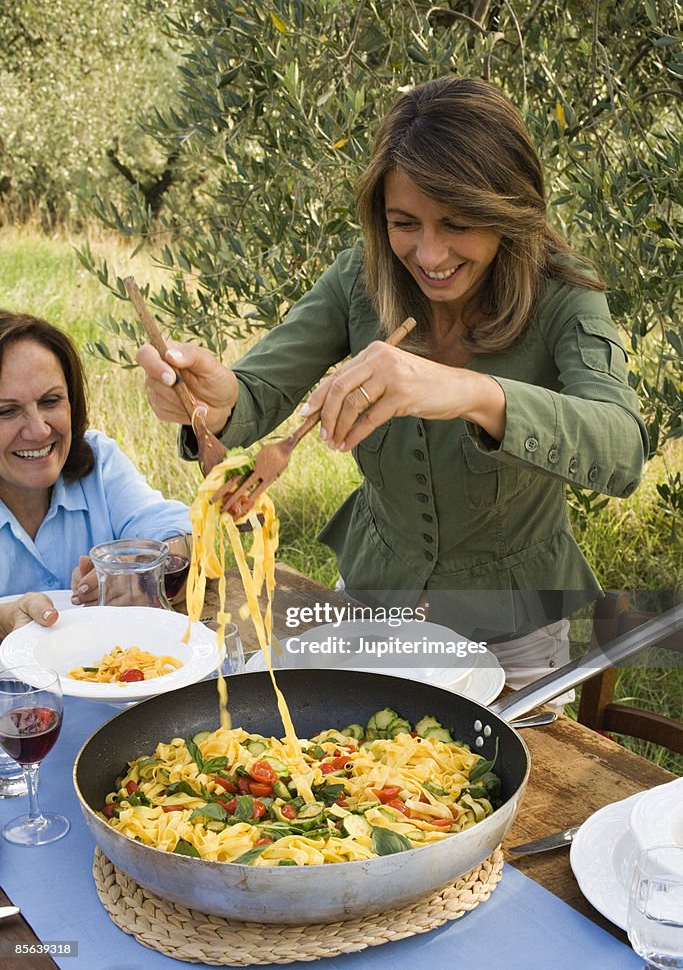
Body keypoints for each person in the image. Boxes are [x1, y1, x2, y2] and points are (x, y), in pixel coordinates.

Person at [136, 76, 648, 696]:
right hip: (371, 610)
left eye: (457, 223)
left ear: (508, 213)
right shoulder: (361, 276)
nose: (430, 254)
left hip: (516, 635)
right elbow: (256, 391)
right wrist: (216, 407)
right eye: (405, 222)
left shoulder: (565, 293)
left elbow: (622, 449)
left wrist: (470, 391)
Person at [0, 310, 192, 608]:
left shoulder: (98, 461)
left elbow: (173, 529)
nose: (39, 431)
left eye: (51, 401)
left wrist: (142, 572)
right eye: (6, 411)